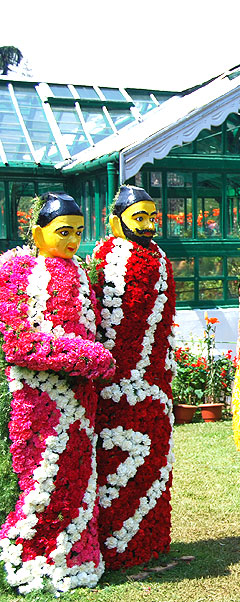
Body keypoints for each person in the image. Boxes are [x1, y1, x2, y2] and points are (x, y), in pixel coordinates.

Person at [0, 193, 115, 594]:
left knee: (78, 477)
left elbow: (92, 328)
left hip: (82, 399)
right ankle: (30, 562)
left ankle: (78, 559)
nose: (72, 242)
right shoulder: (17, 268)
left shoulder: (80, 272)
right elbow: (17, 343)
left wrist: (91, 358)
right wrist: (89, 355)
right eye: (63, 232)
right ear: (37, 232)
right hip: (38, 399)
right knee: (43, 479)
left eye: (78, 233)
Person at [90, 186, 176, 570]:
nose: (147, 225)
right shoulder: (106, 258)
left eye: (151, 217)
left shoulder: (160, 257)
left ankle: (151, 543)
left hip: (155, 381)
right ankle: (117, 548)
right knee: (117, 462)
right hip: (117, 384)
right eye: (138, 217)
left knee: (156, 461)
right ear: (116, 221)